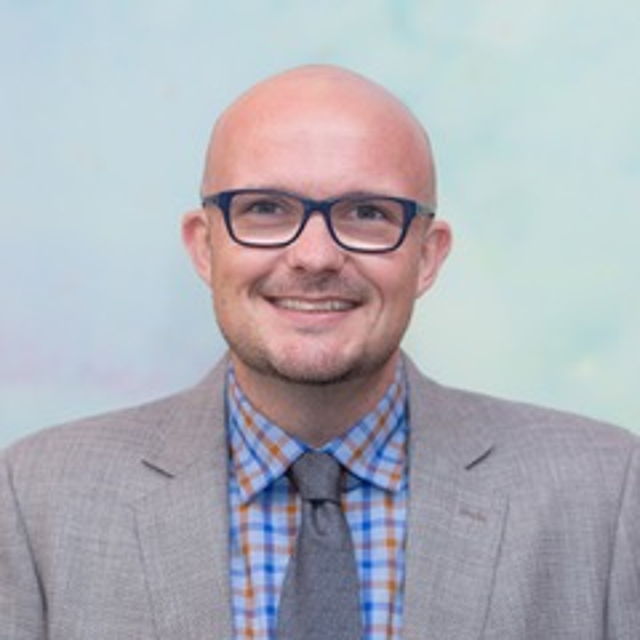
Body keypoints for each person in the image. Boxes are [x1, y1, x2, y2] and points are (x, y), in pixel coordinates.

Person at [1, 65, 639, 640]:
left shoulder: (609, 493)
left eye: (366, 212)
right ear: (204, 246)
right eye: (265, 208)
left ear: (427, 256)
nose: (315, 256)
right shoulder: (34, 498)